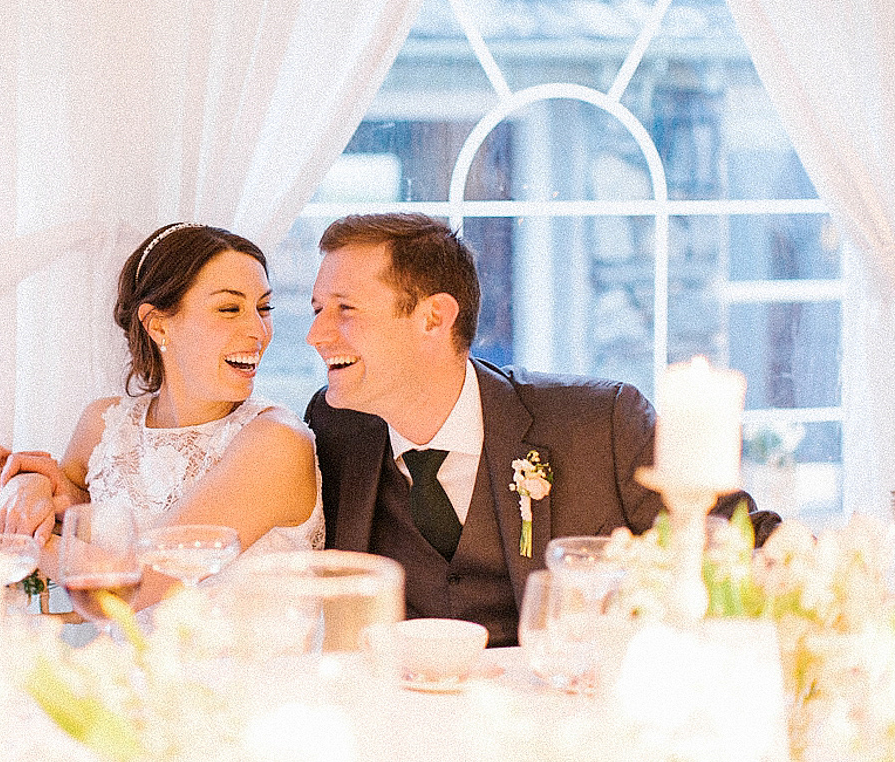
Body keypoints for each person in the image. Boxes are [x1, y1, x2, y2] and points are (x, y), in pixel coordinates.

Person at [303, 212, 779, 647]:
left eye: (344, 310)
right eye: (316, 310)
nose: (316, 335)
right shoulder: (334, 431)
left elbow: (746, 547)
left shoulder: (601, 425)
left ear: (434, 317)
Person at [0, 223, 324, 610]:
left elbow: (139, 585)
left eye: (263, 308)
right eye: (230, 309)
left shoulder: (276, 443)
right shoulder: (103, 426)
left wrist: (10, 538)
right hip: (129, 668)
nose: (258, 330)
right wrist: (25, 484)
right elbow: (62, 504)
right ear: (157, 324)